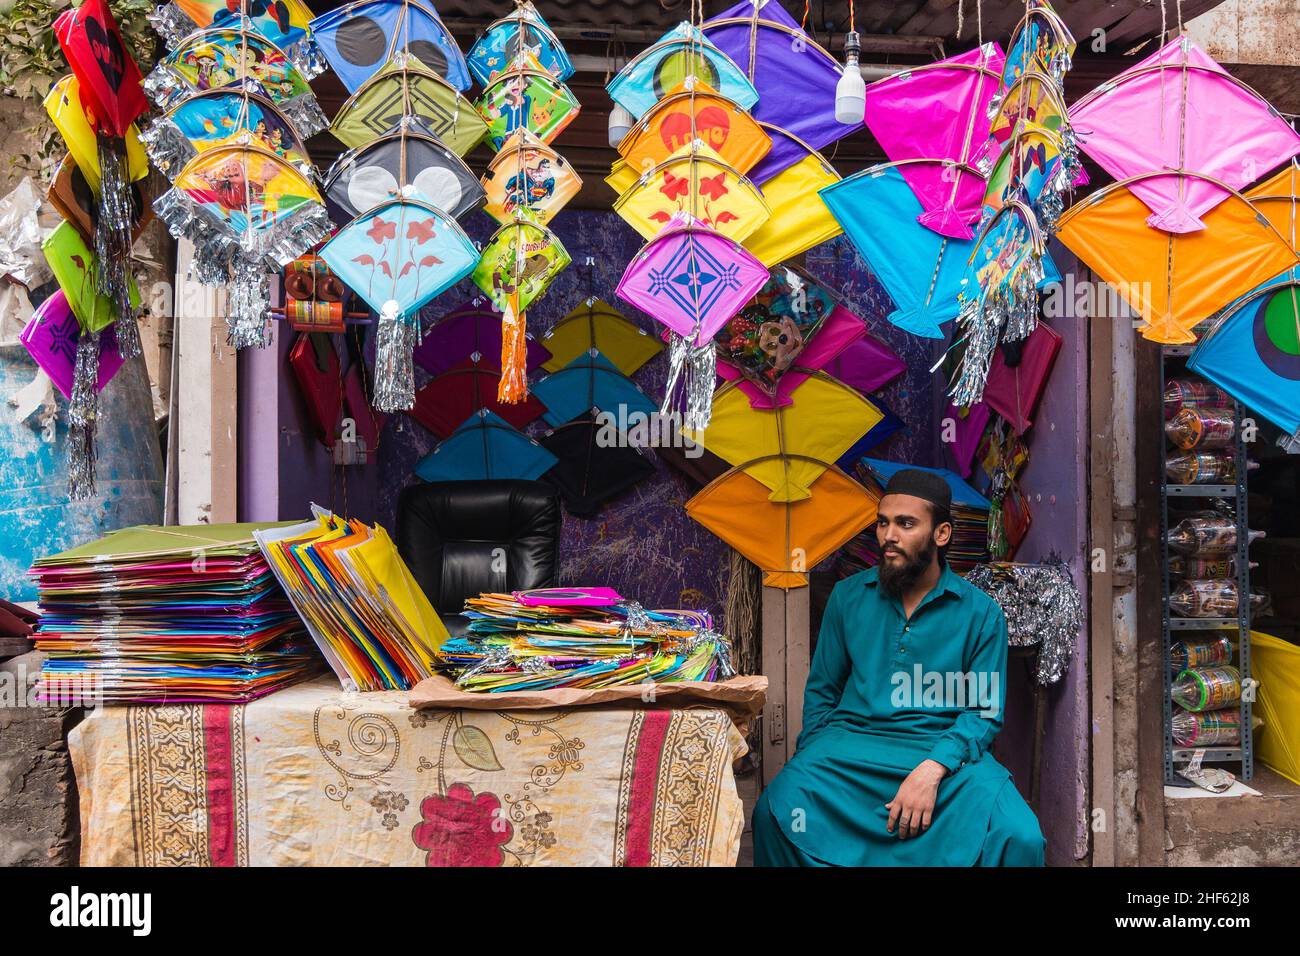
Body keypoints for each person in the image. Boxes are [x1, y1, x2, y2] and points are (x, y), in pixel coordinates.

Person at [753, 468, 1045, 866]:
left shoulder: (981, 613)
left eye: (906, 524)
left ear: (941, 534)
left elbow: (983, 712)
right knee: (775, 809)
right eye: (883, 522)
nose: (889, 535)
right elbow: (823, 689)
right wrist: (817, 755)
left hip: (944, 753)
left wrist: (933, 769)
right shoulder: (848, 597)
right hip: (850, 749)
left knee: (1019, 836)